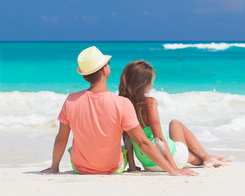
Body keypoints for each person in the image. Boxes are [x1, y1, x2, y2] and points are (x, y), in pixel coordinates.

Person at [41, 46, 197, 176]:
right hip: (113, 168)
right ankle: (203, 157)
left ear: (85, 76)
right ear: (104, 71)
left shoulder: (71, 100)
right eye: (107, 63)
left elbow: (61, 139)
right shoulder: (121, 103)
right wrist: (173, 170)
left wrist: (54, 168)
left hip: (80, 168)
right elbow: (143, 142)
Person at [119, 60, 230, 172]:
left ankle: (209, 157)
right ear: (143, 83)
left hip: (148, 165)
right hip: (169, 161)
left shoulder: (122, 105)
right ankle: (208, 158)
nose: (152, 83)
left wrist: (132, 167)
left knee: (189, 155)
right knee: (175, 124)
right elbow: (159, 139)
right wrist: (173, 168)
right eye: (150, 81)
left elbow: (127, 138)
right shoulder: (149, 103)